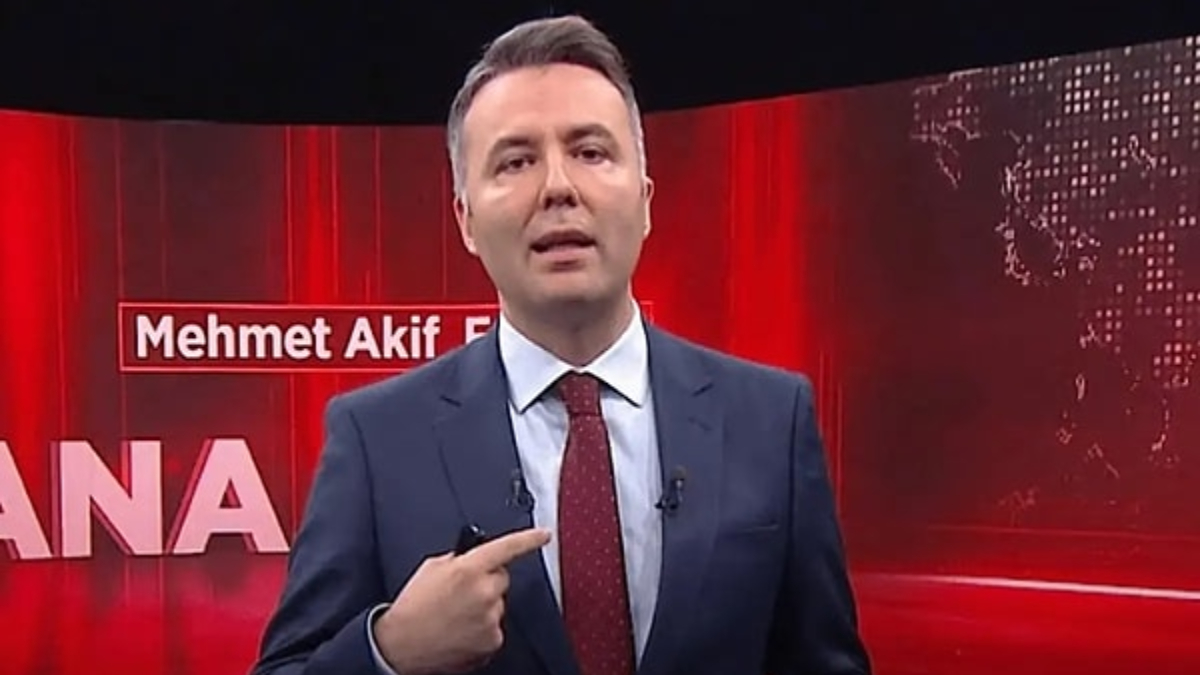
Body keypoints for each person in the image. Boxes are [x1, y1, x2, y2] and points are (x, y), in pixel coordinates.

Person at [251, 13, 871, 675]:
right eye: (516, 161)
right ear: (465, 219)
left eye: (591, 152)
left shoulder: (771, 420)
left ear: (645, 199)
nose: (557, 188)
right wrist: (390, 651)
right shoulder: (376, 438)